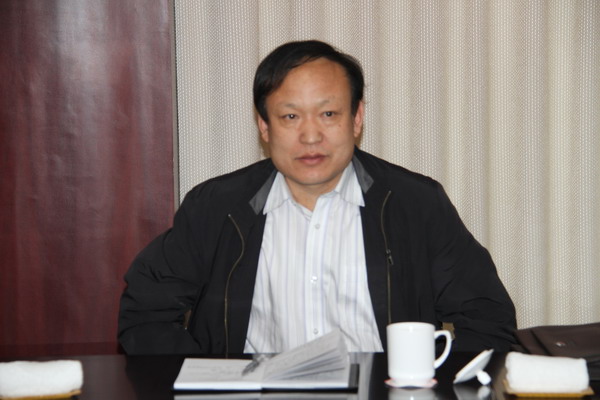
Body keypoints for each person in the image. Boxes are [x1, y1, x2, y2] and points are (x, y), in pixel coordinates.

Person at [118, 40, 516, 355]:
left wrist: (432, 386)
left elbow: (487, 317)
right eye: (290, 116)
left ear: (356, 118)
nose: (311, 136)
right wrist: (203, 383)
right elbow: (145, 314)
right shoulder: (215, 207)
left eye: (328, 114)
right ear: (264, 126)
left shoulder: (415, 204)